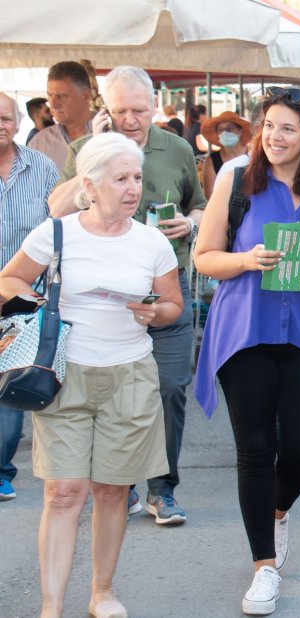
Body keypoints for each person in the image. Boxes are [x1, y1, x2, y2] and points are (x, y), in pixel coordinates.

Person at [0, 132, 183, 618]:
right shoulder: (56, 233)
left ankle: (102, 591)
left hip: (129, 376)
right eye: (121, 178)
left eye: (138, 178)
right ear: (91, 184)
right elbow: (9, 281)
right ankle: (51, 605)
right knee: (63, 492)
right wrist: (40, 303)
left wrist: (155, 313)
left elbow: (173, 306)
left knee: (110, 490)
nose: (132, 188)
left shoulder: (152, 241)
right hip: (64, 374)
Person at [192, 86, 300, 615]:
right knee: (255, 449)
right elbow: (204, 257)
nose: (274, 137)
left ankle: (277, 511)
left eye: (287, 128)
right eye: (269, 126)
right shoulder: (237, 180)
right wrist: (246, 260)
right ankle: (263, 568)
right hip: (246, 330)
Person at [48, 65, 206, 526]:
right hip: (104, 304)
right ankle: (122, 487)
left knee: (170, 388)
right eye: (120, 111)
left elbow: (200, 201)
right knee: (116, 396)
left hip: (165, 291)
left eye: (139, 110)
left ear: (155, 107)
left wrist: (191, 223)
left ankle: (164, 489)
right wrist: (95, 155)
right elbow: (54, 209)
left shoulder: (176, 148)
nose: (130, 119)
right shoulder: (84, 148)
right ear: (105, 109)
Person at [0, 92, 60, 502]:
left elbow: (60, 225)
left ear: (18, 121)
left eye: (4, 117)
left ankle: (2, 470)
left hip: (22, 297)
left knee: (10, 385)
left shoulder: (41, 168)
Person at [30, 61, 94, 170]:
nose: (53, 104)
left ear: (85, 96)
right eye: (50, 95)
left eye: (62, 96)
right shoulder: (39, 144)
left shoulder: (113, 134)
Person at [199, 110, 251, 200]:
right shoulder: (212, 161)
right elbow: (210, 197)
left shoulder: (252, 154)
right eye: (220, 130)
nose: (225, 133)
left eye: (229, 129)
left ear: (240, 131)